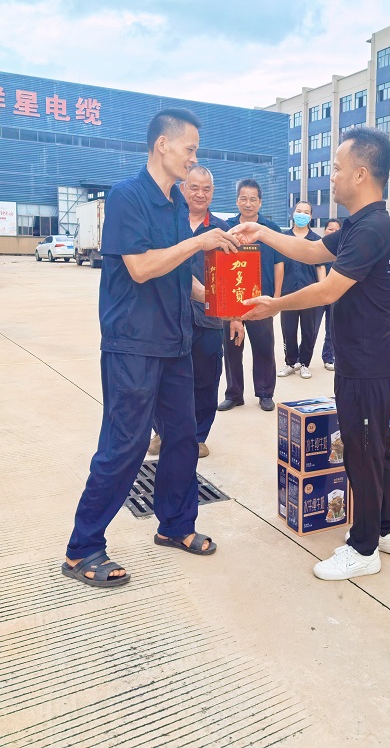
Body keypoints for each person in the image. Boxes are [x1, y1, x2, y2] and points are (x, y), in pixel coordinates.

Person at [62, 109, 239, 588]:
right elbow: (140, 267)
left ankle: (175, 524)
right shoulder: (127, 196)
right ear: (163, 144)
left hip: (175, 343)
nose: (193, 158)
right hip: (134, 344)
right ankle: (82, 548)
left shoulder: (176, 204)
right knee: (125, 444)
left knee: (182, 438)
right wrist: (198, 243)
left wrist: (224, 302)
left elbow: (180, 276)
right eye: (190, 148)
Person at [231, 127, 390, 580]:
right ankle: (387, 526)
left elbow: (328, 290)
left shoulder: (373, 228)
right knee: (375, 447)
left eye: (339, 168)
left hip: (366, 363)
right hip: (367, 359)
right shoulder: (358, 225)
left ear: (361, 174)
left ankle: (363, 549)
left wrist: (275, 304)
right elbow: (309, 250)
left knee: (362, 453)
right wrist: (263, 232)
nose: (333, 177)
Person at [147, 165, 244, 459]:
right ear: (183, 188)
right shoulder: (168, 223)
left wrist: (236, 316)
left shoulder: (222, 230)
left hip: (208, 319)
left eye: (206, 189)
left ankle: (198, 436)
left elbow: (235, 276)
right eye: (194, 187)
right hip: (167, 317)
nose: (200, 194)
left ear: (213, 192)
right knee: (162, 379)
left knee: (205, 380)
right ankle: (163, 432)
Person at [216, 178, 284, 412]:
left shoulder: (270, 229)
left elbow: (279, 264)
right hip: (232, 299)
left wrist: (276, 299)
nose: (248, 203)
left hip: (261, 299)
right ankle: (234, 394)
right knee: (232, 348)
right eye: (243, 198)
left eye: (252, 199)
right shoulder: (227, 228)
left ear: (260, 202)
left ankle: (265, 393)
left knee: (264, 346)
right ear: (237, 201)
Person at [276, 200, 326, 380]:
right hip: (288, 292)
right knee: (288, 330)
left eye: (306, 212)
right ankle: (290, 362)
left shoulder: (317, 240)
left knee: (308, 331)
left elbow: (321, 266)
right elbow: (278, 266)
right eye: (299, 211)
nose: (302, 215)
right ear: (293, 213)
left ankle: (304, 363)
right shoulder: (284, 238)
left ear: (311, 217)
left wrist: (322, 290)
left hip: (310, 294)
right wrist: (277, 294)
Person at [321, 218, 341, 370]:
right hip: (317, 294)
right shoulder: (318, 248)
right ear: (324, 230)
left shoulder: (343, 251)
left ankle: (328, 357)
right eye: (330, 229)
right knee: (311, 330)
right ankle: (302, 360)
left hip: (334, 295)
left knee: (331, 327)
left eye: (337, 230)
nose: (333, 232)